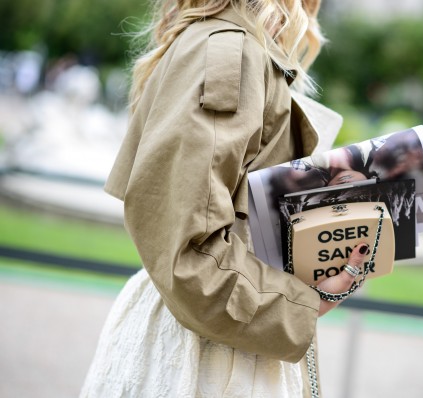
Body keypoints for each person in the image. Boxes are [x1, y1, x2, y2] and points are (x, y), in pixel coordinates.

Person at [80, 1, 371, 397]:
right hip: (210, 358)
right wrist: (307, 303)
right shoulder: (230, 52)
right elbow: (189, 252)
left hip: (221, 339)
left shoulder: (229, 44)